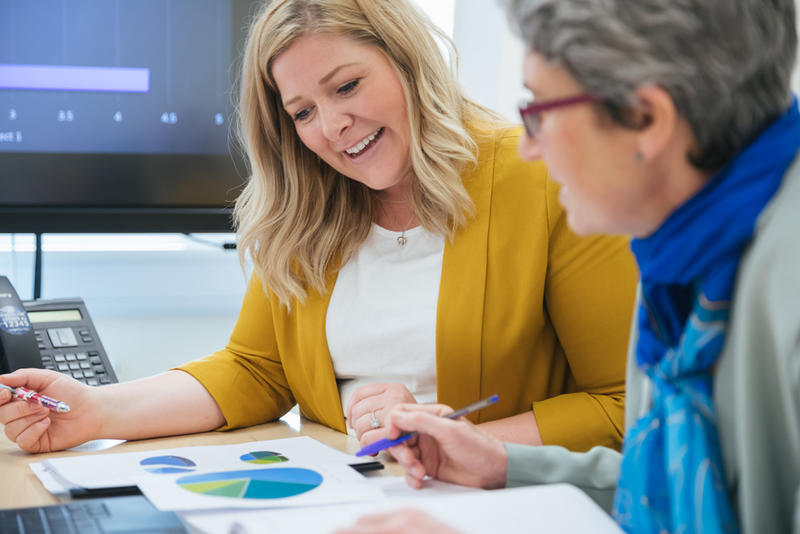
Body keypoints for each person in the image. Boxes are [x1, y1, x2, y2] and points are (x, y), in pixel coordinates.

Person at [0, 0, 636, 456]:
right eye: (303, 111)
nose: (332, 127)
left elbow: (623, 404)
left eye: (348, 86)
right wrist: (95, 411)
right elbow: (255, 369)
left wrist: (457, 443)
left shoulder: (542, 178)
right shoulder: (310, 212)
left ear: (409, 64)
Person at [338, 0, 800, 533]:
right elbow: (670, 488)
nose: (529, 147)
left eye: (539, 110)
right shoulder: (683, 258)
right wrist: (503, 464)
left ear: (645, 119)